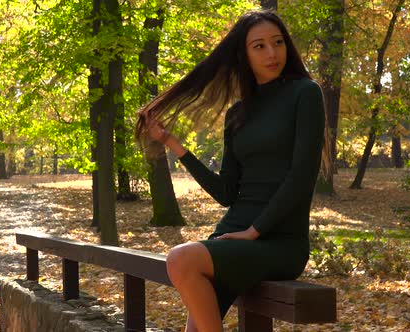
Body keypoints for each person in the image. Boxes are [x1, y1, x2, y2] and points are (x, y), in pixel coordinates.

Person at [135, 10, 330, 332]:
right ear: (244, 54)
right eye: (259, 46)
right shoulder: (237, 113)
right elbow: (226, 192)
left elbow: (302, 176)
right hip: (234, 235)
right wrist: (172, 143)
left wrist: (253, 232)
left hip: (279, 242)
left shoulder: (305, 93)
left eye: (278, 42)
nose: (271, 53)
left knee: (179, 259)